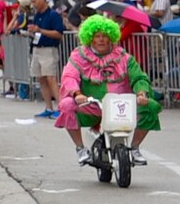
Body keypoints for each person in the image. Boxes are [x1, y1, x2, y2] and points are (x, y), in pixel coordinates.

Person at [57, 15, 157, 166]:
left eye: (105, 36)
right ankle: (80, 149)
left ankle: (135, 148)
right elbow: (69, 76)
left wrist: (141, 93)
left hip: (120, 107)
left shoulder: (124, 57)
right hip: (91, 105)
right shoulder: (79, 56)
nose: (101, 40)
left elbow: (139, 77)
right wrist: (77, 94)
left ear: (111, 37)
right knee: (66, 105)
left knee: (150, 106)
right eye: (97, 36)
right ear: (90, 38)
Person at [22, 0, 65, 119]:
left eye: (35, 1)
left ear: (43, 0)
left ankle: (61, 108)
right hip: (37, 48)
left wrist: (40, 30)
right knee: (41, 79)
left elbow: (59, 34)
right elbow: (36, 32)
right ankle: (48, 107)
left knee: (51, 78)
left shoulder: (53, 15)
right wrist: (31, 32)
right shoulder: (37, 15)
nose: (34, 4)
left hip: (49, 49)